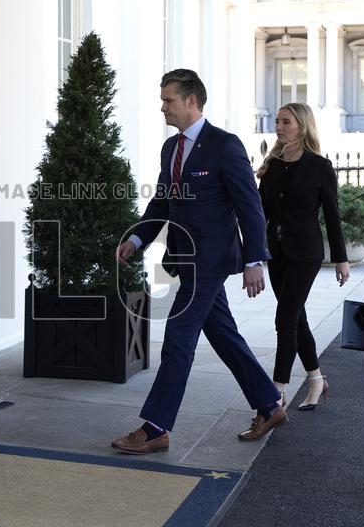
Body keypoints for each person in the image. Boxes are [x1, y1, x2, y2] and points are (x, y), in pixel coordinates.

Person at [112, 68, 285, 454]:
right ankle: (269, 403)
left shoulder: (225, 145)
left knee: (178, 337)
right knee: (223, 334)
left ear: (191, 101)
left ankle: (156, 427)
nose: (163, 108)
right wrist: (138, 237)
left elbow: (249, 206)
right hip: (184, 256)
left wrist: (255, 259)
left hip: (211, 258)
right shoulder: (170, 148)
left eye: (168, 100)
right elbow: (162, 199)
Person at [256, 102, 349, 411]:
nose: (279, 127)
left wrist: (341, 258)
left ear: (302, 127)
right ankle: (316, 378)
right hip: (277, 253)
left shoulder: (319, 166)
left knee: (285, 318)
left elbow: (333, 216)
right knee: (297, 317)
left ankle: (277, 391)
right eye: (278, 121)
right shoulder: (272, 164)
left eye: (285, 122)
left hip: (306, 254)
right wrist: (253, 254)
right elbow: (260, 213)